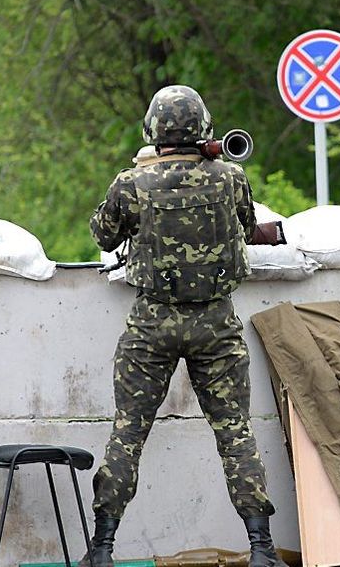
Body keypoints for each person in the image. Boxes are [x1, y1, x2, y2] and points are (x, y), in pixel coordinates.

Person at [84, 85, 286, 567]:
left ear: (153, 130)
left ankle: (102, 548)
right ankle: (262, 550)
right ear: (204, 127)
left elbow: (103, 234)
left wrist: (141, 174)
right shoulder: (231, 177)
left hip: (151, 324)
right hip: (216, 322)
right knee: (235, 434)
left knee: (128, 432)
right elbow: (246, 223)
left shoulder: (131, 182)